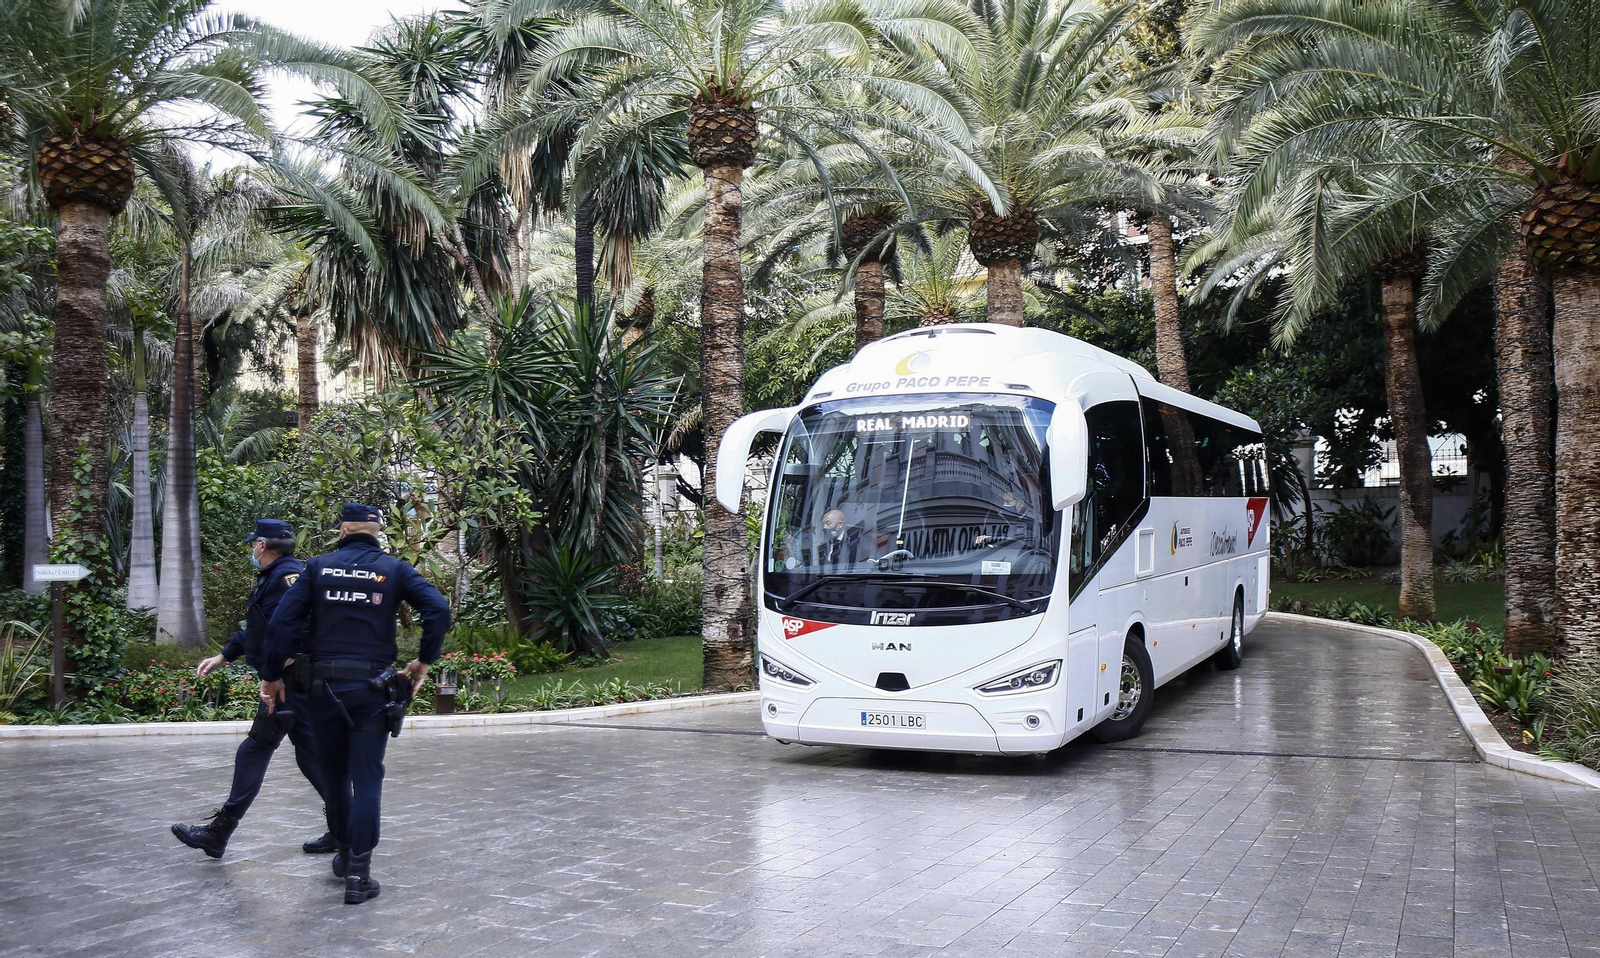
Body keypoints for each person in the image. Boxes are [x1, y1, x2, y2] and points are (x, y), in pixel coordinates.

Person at [259, 503, 451, 905]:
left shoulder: (318, 567)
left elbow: (281, 623)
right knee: (367, 778)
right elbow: (438, 608)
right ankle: (359, 875)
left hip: (322, 690)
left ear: (343, 530)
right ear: (377, 532)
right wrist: (422, 662)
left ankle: (345, 853)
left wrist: (272, 675)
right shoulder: (395, 570)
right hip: (371, 690)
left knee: (334, 776)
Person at [171, 519, 335, 859]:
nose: (251, 550)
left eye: (252, 544)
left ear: (261, 545)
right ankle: (345, 826)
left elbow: (298, 627)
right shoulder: (277, 577)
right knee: (309, 756)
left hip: (289, 683)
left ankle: (220, 832)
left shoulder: (286, 579)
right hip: (297, 682)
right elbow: (261, 628)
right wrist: (224, 655)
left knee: (256, 749)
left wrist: (278, 668)